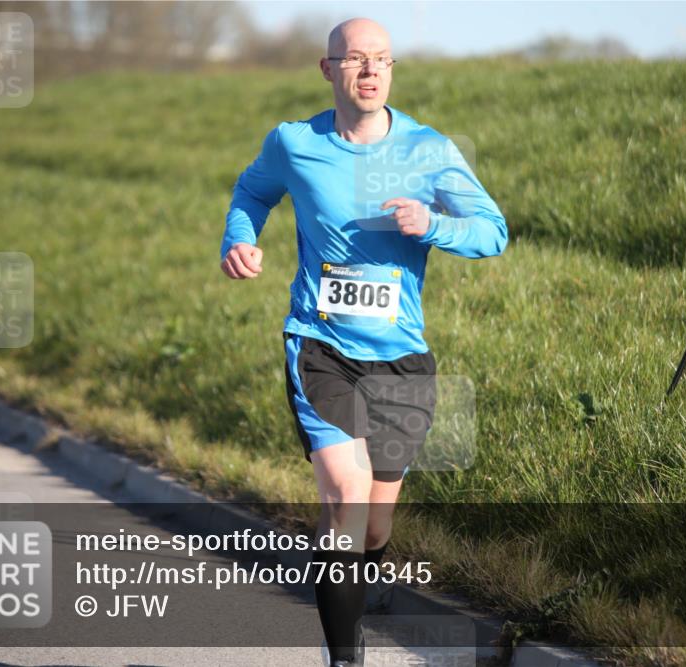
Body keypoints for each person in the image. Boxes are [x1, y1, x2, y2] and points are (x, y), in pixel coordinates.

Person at [221, 17, 508, 666]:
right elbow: (253, 191)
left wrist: (433, 223)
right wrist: (239, 239)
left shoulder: (427, 150)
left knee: (375, 525)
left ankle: (358, 585)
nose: (371, 69)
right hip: (320, 345)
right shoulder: (295, 143)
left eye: (382, 58)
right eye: (355, 59)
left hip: (401, 358)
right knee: (346, 503)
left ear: (392, 68)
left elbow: (492, 231)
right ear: (329, 70)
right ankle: (345, 658)